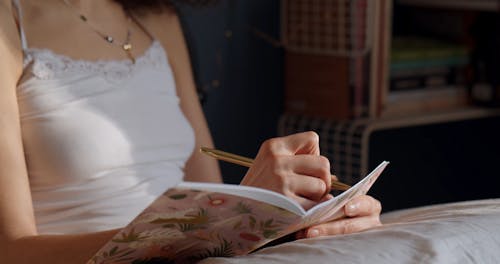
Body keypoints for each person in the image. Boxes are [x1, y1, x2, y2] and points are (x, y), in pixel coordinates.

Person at [0, 0, 382, 263]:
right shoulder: (9, 20)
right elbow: (11, 251)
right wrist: (201, 230)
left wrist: (301, 220)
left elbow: (211, 199)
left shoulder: (156, 17)